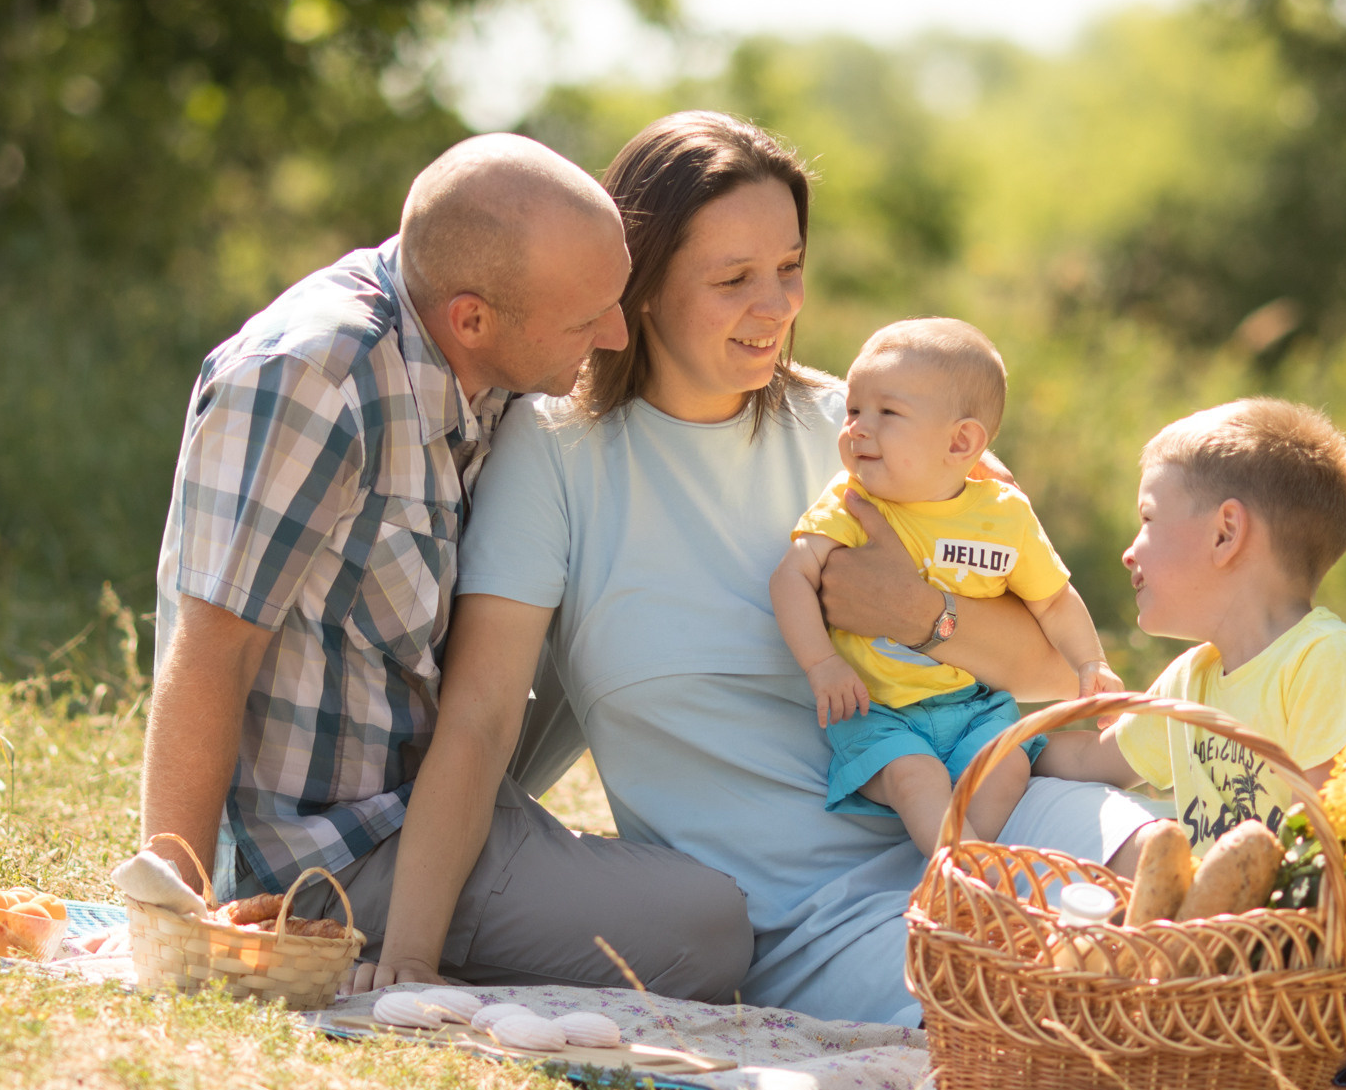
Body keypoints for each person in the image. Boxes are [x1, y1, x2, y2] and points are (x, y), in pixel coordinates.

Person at [357, 111, 1161, 1024]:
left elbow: (1063, 680)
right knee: (1071, 1001)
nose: (774, 306)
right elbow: (482, 715)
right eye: (734, 278)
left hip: (980, 815)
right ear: (642, 287)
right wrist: (409, 957)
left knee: (1173, 866)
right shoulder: (556, 454)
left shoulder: (867, 434)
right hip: (801, 919)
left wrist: (922, 614)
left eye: (789, 270)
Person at [140, 133, 754, 1002]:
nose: (617, 333)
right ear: (471, 318)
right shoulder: (310, 380)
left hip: (435, 763)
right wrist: (178, 917)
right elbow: (212, 652)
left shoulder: (490, 338)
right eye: (588, 319)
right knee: (713, 932)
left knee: (617, 578)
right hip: (336, 851)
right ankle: (384, 934)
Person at [1085, 397, 1346, 1090]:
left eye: (1147, 519)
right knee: (1125, 972)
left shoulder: (1326, 660)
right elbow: (1090, 760)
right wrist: (983, 732)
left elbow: (1332, 846)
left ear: (1226, 531)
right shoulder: (1194, 676)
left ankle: (1329, 1083)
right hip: (1233, 975)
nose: (1129, 547)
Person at [770, 317, 1119, 852]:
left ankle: (961, 869)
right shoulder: (852, 501)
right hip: (878, 712)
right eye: (855, 409)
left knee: (1005, 770)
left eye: (887, 413)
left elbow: (1052, 598)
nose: (858, 427)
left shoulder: (1004, 516)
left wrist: (1090, 662)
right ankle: (956, 875)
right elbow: (793, 575)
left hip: (972, 704)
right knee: (919, 780)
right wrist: (822, 663)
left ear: (961, 442)